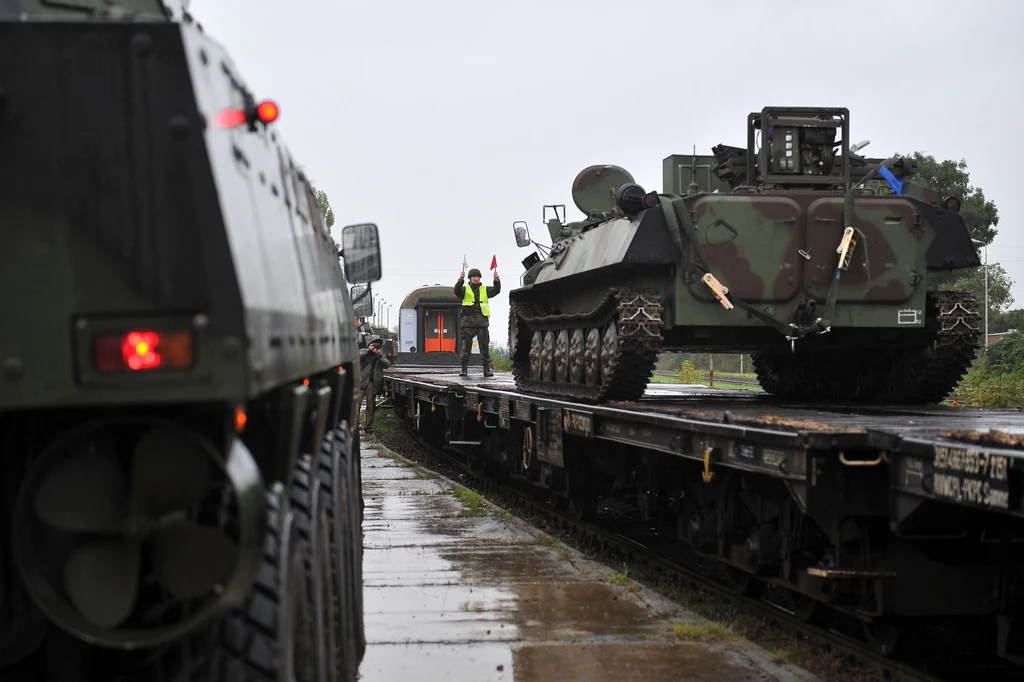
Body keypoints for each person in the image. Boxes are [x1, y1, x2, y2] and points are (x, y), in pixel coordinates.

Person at [454, 266, 500, 377]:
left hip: (482, 322)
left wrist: (497, 280)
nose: (476, 278)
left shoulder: (485, 289)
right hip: (468, 323)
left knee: (484, 346)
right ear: (470, 278)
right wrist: (460, 280)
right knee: (466, 346)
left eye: (477, 277)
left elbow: (496, 290)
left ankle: (486, 370)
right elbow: (457, 291)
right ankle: (464, 370)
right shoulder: (465, 289)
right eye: (474, 277)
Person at [356, 335, 391, 433]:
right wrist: (369, 350)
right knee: (356, 406)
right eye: (373, 344)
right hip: (361, 382)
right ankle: (354, 426)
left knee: (370, 406)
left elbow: (387, 364)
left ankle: (368, 426)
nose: (375, 346)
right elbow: (358, 357)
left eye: (376, 345)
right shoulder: (363, 351)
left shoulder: (380, 355)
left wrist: (379, 355)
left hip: (373, 384)